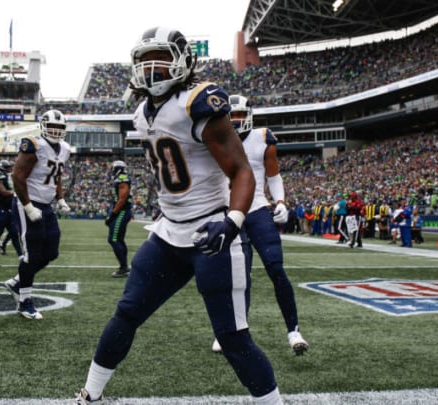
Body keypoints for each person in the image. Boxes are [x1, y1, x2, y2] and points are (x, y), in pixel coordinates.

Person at [76, 27, 282, 405]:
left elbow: (241, 171)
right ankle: (90, 395)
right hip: (169, 234)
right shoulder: (141, 112)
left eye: (163, 58)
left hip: (211, 230)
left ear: (183, 61)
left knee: (233, 336)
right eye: (146, 60)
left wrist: (233, 221)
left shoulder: (198, 101)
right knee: (127, 312)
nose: (153, 68)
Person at [210, 94, 308, 355]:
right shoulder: (215, 138)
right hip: (231, 214)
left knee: (276, 269)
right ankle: (229, 331)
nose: (238, 121)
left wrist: (281, 201)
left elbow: (273, 174)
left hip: (257, 210)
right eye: (234, 116)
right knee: (237, 278)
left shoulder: (263, 138)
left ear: (249, 115)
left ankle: (294, 331)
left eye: (242, 115)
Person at [3, 109, 72, 320]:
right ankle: (24, 301)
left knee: (51, 252)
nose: (55, 131)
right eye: (52, 126)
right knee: (32, 254)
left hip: (46, 205)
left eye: (59, 127)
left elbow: (57, 175)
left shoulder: (65, 149)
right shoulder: (34, 144)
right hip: (28, 203)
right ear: (42, 126)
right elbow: (17, 176)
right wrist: (28, 206)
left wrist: (60, 198)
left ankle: (16, 282)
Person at [0, 159, 22, 267]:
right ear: (2, 168)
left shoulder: (8, 177)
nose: (10, 169)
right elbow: (2, 191)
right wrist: (17, 194)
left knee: (14, 233)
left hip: (9, 210)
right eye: (8, 167)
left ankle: (21, 257)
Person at [105, 160, 133, 278]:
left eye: (113, 168)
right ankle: (124, 266)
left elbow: (123, 198)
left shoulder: (122, 178)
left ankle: (124, 267)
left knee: (114, 239)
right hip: (121, 211)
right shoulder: (120, 178)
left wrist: (113, 214)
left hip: (122, 211)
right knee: (119, 239)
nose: (112, 170)